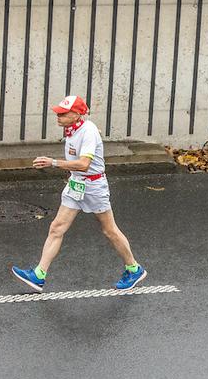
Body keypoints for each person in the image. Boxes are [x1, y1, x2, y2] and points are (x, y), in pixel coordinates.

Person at [11, 95, 147, 292]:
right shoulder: (74, 128)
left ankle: (134, 269)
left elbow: (84, 164)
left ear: (76, 115)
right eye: (58, 112)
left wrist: (53, 162)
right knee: (57, 227)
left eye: (63, 113)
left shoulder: (88, 131)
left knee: (110, 231)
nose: (58, 116)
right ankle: (39, 275)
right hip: (76, 184)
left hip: (94, 186)